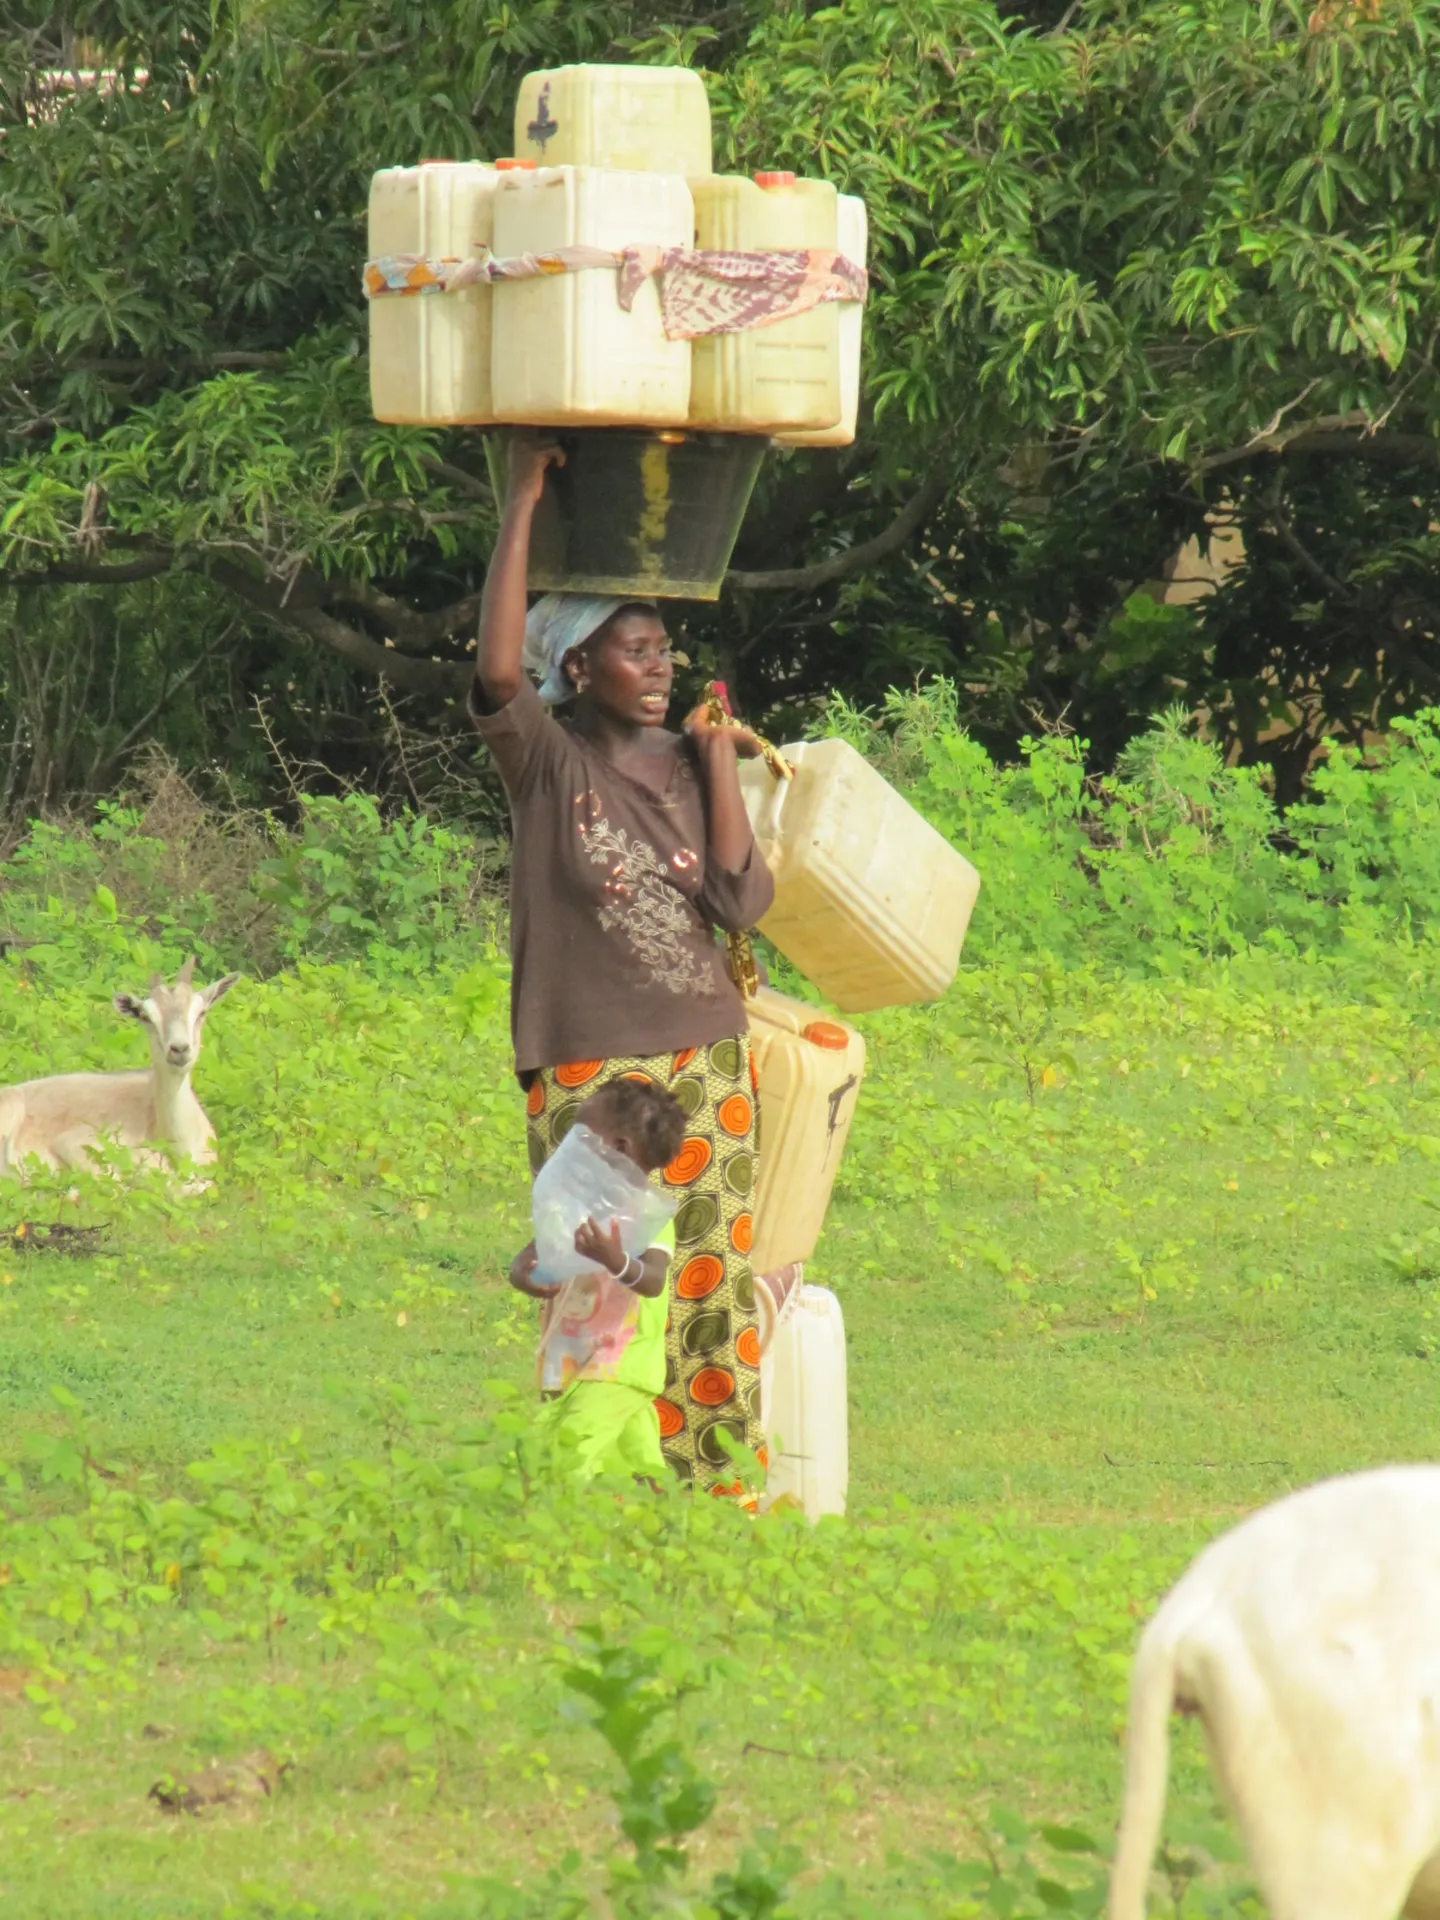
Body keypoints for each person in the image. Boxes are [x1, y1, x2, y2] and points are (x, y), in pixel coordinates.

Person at [471, 432, 775, 1500]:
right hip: (588, 1066)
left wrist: (719, 757)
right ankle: (590, 1479)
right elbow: (495, 670)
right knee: (594, 1277)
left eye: (666, 651)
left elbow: (740, 901)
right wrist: (523, 498)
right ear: (580, 667)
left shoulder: (693, 764)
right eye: (636, 652)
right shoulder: (547, 765)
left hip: (704, 1059)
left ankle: (720, 1483)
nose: (660, 668)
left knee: (710, 1280)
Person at [508, 1079, 687, 1484]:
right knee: (635, 1463)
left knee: (565, 1453)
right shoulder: (580, 1205)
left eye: (582, 1136)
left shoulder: (647, 1217)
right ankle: (662, 1525)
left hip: (620, 1363)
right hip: (577, 1357)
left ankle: (554, 1526)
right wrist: (521, 1272)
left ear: (619, 1149)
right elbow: (535, 1251)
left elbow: (654, 1279)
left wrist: (615, 1259)